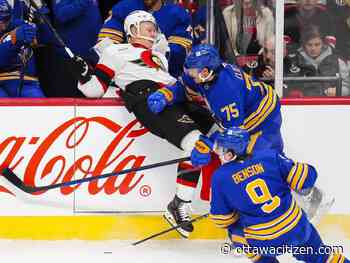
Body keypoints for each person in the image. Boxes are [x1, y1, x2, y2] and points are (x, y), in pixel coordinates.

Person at [70, 10, 216, 238]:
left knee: (220, 136)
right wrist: (83, 74)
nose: (153, 29)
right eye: (147, 25)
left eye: (154, 26)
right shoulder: (114, 51)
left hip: (174, 96)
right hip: (149, 99)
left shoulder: (160, 55)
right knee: (197, 145)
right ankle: (179, 204)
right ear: (132, 30)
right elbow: (94, 90)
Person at [209, 127, 348, 263]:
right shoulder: (268, 156)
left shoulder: (220, 177)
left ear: (232, 153)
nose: (220, 154)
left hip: (262, 243)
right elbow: (305, 179)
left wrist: (240, 210)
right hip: (296, 229)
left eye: (222, 150)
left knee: (235, 230)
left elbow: (222, 220)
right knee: (322, 257)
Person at [98, 0, 193, 77]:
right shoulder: (125, 7)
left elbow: (180, 52)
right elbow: (106, 44)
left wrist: (163, 53)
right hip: (125, 76)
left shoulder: (178, 14)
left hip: (162, 79)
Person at [285, 25, 348, 97]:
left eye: (317, 44)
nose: (313, 48)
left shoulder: (337, 59)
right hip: (302, 105)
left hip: (330, 104)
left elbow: (347, 85)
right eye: (309, 45)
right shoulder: (293, 60)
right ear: (303, 44)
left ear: (323, 44)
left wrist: (339, 91)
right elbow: (285, 86)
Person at [0, 0, 45, 97]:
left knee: (39, 104)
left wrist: (41, 11)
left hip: (28, 81)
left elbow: (48, 38)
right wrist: (14, 40)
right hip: (2, 82)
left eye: (5, 19)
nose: (3, 25)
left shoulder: (20, 25)